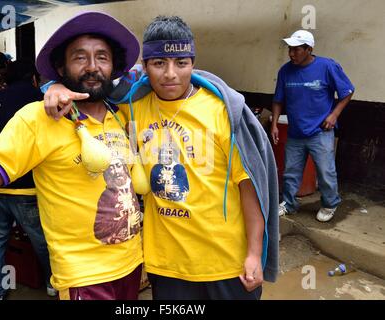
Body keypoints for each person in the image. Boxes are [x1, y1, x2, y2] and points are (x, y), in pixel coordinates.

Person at [43, 15, 279, 300]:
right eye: (159, 64)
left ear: (192, 63)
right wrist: (53, 87)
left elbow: (249, 186)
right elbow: (92, 91)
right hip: (167, 265)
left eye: (181, 63)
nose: (170, 74)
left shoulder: (221, 112)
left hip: (226, 263)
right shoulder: (132, 107)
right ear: (144, 67)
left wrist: (255, 253)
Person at [0, 11, 143, 300]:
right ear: (60, 68)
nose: (92, 67)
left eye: (102, 57)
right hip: (83, 275)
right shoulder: (36, 118)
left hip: (132, 263)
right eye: (79, 57)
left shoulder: (122, 113)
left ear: (113, 67)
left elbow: (163, 75)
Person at [0, 59, 54, 300]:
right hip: (26, 189)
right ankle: (54, 284)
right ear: (34, 78)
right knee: (43, 240)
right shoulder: (41, 101)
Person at [270, 30, 354, 222]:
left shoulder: (327, 66)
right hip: (295, 132)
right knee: (291, 171)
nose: (291, 53)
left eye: (296, 49)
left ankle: (330, 204)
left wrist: (334, 115)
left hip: (321, 131)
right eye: (290, 49)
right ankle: (289, 203)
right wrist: (274, 124)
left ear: (309, 49)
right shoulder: (285, 71)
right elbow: (278, 100)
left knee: (325, 171)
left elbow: (347, 91)